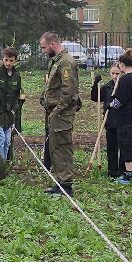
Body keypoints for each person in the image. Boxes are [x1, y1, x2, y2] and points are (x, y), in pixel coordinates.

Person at [38, 31, 82, 195]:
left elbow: (68, 90)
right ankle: (59, 181)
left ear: (52, 44)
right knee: (54, 146)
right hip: (53, 111)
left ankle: (66, 184)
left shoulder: (66, 62)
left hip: (62, 113)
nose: (43, 51)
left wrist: (57, 110)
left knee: (62, 146)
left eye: (44, 47)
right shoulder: (56, 61)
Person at [91, 55, 132, 181]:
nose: (115, 76)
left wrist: (111, 104)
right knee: (130, 145)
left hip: (126, 118)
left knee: (127, 145)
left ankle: (129, 174)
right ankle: (130, 172)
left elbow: (120, 100)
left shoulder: (126, 80)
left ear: (121, 64)